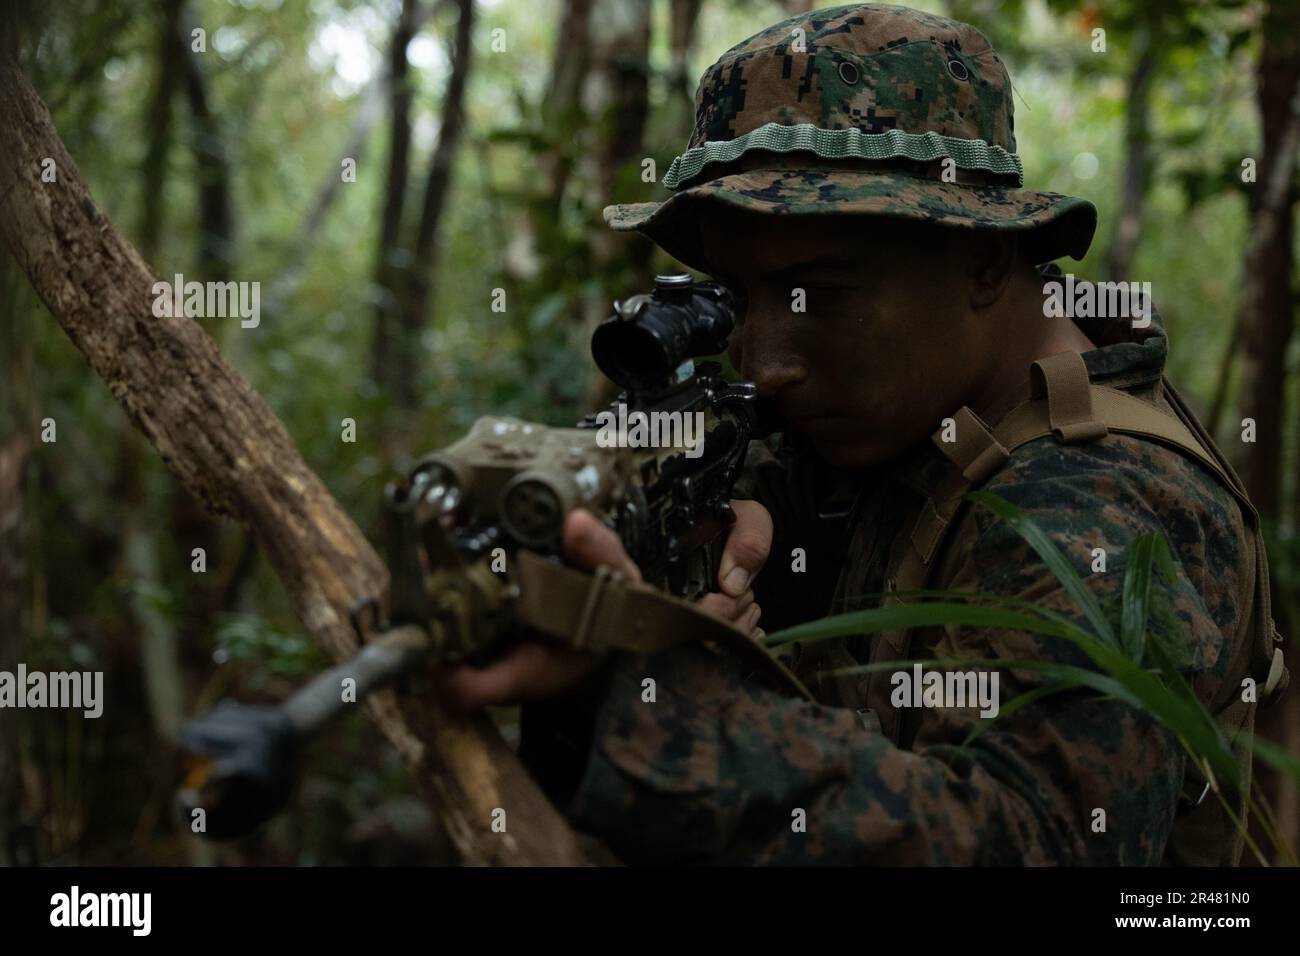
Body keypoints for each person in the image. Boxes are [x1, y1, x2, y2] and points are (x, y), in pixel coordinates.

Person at [436, 3, 1286, 864]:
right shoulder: (915, 410)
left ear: (985, 258)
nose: (764, 366)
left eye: (822, 296)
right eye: (734, 297)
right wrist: (704, 536)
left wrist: (640, 700)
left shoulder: (1102, 505)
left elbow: (1022, 837)